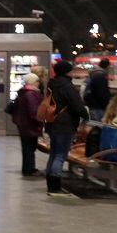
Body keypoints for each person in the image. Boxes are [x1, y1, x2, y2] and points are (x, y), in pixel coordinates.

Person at [44, 60, 88, 196]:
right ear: (67, 71)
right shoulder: (68, 86)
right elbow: (77, 106)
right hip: (65, 124)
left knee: (53, 154)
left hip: (52, 122)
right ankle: (55, 186)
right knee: (60, 155)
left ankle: (50, 183)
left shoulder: (52, 84)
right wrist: (85, 114)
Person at [11, 72, 43, 176]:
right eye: (37, 81)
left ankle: (28, 168)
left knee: (27, 147)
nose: (38, 83)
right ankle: (29, 169)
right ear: (32, 82)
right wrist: (41, 120)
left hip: (24, 124)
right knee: (29, 147)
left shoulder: (24, 92)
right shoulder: (31, 94)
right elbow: (33, 111)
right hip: (30, 125)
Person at [83, 57, 112, 122]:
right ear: (107, 67)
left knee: (95, 124)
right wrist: (106, 105)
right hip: (98, 107)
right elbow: (102, 93)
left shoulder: (94, 73)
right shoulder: (100, 75)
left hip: (93, 105)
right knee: (99, 125)